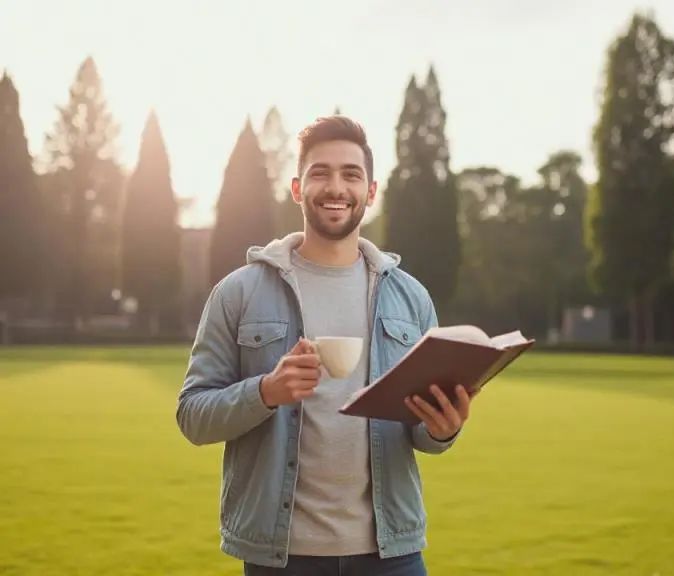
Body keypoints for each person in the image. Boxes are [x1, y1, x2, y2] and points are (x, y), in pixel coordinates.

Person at [177, 116, 478, 575]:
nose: (336, 187)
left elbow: (422, 436)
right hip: (281, 558)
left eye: (350, 174)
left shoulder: (410, 297)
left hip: (392, 556)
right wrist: (265, 392)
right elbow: (193, 417)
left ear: (370, 192)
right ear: (298, 189)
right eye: (320, 173)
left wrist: (443, 429)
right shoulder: (239, 292)